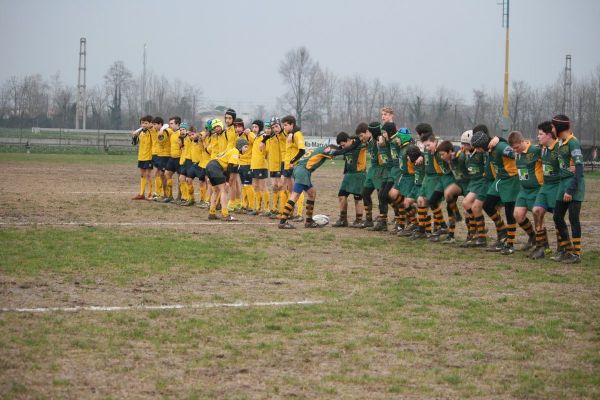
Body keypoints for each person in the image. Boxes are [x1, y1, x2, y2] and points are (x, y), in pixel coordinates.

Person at [278, 139, 360, 229]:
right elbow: (339, 152)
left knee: (312, 193)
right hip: (303, 171)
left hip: (300, 170)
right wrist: (354, 146)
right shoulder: (327, 149)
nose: (331, 157)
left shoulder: (320, 148)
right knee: (295, 195)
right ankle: (283, 221)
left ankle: (309, 221)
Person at [552, 114, 585, 263]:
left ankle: (576, 254)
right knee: (557, 216)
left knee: (573, 218)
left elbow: (579, 168)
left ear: (558, 127)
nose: (552, 129)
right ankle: (566, 250)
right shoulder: (560, 142)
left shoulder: (573, 143)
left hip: (573, 185)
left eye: (553, 126)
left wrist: (570, 190)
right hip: (562, 183)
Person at [530, 121, 560, 259]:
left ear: (549, 135)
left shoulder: (559, 148)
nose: (538, 136)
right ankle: (543, 247)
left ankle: (562, 247)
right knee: (536, 211)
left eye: (540, 134)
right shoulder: (541, 149)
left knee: (557, 217)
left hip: (557, 185)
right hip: (545, 186)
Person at [205, 138, 249, 222]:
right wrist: (228, 181)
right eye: (245, 147)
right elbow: (230, 167)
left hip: (210, 165)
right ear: (240, 146)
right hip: (216, 167)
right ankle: (225, 215)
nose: (247, 149)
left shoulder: (231, 150)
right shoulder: (235, 152)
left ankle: (212, 213)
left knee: (215, 191)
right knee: (223, 191)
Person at [332, 129, 367, 227]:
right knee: (341, 196)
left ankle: (359, 220)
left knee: (357, 198)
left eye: (343, 144)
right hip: (348, 175)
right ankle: (343, 220)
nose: (342, 147)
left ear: (348, 140)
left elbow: (367, 142)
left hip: (358, 175)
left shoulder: (359, 145)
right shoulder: (345, 148)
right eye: (341, 146)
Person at [360, 122, 385, 228]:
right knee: (365, 193)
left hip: (380, 170)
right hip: (372, 171)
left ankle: (383, 221)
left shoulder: (377, 140)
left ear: (368, 132)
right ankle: (369, 220)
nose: (361, 138)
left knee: (381, 196)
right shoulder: (368, 142)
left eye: (362, 135)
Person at [282, 115, 306, 222]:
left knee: (297, 190)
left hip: (295, 166)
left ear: (292, 124)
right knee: (289, 190)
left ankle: (299, 214)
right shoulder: (290, 135)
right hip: (287, 166)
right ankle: (290, 212)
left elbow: (302, 151)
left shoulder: (297, 134)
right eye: (284, 125)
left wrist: (292, 161)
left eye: (286, 125)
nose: (284, 127)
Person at [249, 119, 271, 216]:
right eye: (253, 127)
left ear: (260, 128)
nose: (254, 129)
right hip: (254, 165)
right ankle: (257, 208)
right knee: (255, 186)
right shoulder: (256, 138)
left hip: (262, 165)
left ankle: (266, 209)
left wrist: (264, 158)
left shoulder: (264, 137)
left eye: (256, 127)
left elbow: (267, 151)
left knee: (263, 186)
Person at [132, 115, 153, 200]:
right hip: (141, 156)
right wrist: (134, 137)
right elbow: (134, 143)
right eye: (142, 123)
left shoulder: (151, 132)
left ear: (150, 124)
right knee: (142, 174)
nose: (143, 125)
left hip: (149, 156)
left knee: (148, 175)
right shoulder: (140, 133)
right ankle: (141, 193)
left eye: (146, 123)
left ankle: (150, 193)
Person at [162, 116, 182, 203]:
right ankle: (170, 196)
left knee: (180, 178)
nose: (170, 125)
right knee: (167, 174)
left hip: (179, 158)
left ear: (177, 124)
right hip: (172, 158)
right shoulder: (172, 133)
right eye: (169, 123)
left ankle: (180, 197)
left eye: (172, 123)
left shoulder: (181, 133)